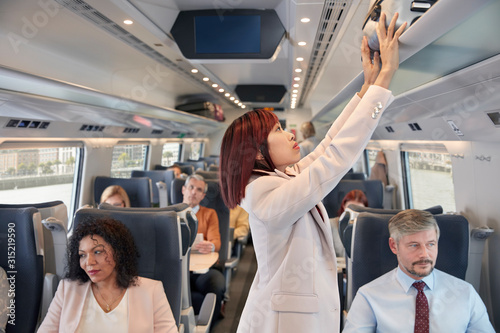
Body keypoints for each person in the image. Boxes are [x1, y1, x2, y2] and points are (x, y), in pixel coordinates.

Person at [219, 12, 406, 333]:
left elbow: (327, 147)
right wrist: (387, 75)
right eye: (278, 130)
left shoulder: (274, 182)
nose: (291, 134)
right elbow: (334, 159)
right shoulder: (263, 195)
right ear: (256, 150)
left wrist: (367, 88)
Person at [343, 209, 495, 332]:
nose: (424, 254)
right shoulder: (369, 297)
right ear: (394, 246)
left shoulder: (465, 293)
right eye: (414, 245)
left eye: (430, 244)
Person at [38, 217, 177, 333]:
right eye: (82, 255)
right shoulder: (67, 289)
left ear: (118, 252)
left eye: (98, 252)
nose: (89, 262)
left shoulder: (151, 290)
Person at [182, 174, 225, 321]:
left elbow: (217, 243)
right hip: (179, 270)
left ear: (203, 196)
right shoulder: (169, 213)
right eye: (191, 187)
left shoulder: (209, 214)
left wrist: (210, 246)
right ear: (183, 190)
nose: (194, 192)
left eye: (199, 190)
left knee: (215, 284)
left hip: (202, 270)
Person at [331, 190, 368, 257]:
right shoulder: (330, 224)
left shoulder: (370, 228)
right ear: (344, 207)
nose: (354, 214)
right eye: (351, 209)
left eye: (359, 210)